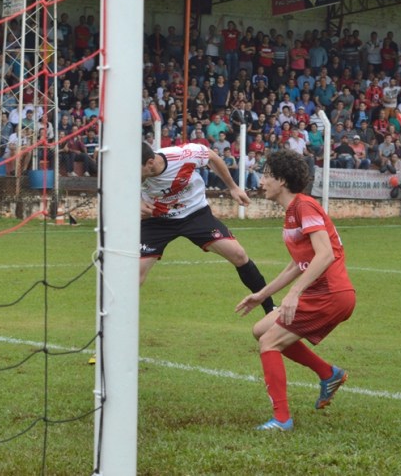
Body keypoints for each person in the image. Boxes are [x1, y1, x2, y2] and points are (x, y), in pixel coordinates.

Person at [235, 149, 355, 431]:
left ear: (282, 180)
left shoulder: (304, 206)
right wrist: (262, 295)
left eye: (266, 175)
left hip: (330, 294)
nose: (261, 180)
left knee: (269, 343)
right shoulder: (293, 212)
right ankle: (329, 374)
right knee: (260, 331)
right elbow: (296, 265)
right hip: (324, 293)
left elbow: (324, 254)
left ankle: (282, 419)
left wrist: (294, 293)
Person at [139, 142, 275, 313]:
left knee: (239, 255)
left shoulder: (182, 155)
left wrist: (232, 187)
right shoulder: (133, 170)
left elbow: (211, 156)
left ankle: (271, 309)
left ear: (150, 163)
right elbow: (116, 187)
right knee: (136, 276)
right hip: (156, 221)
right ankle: (113, 325)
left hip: (195, 214)